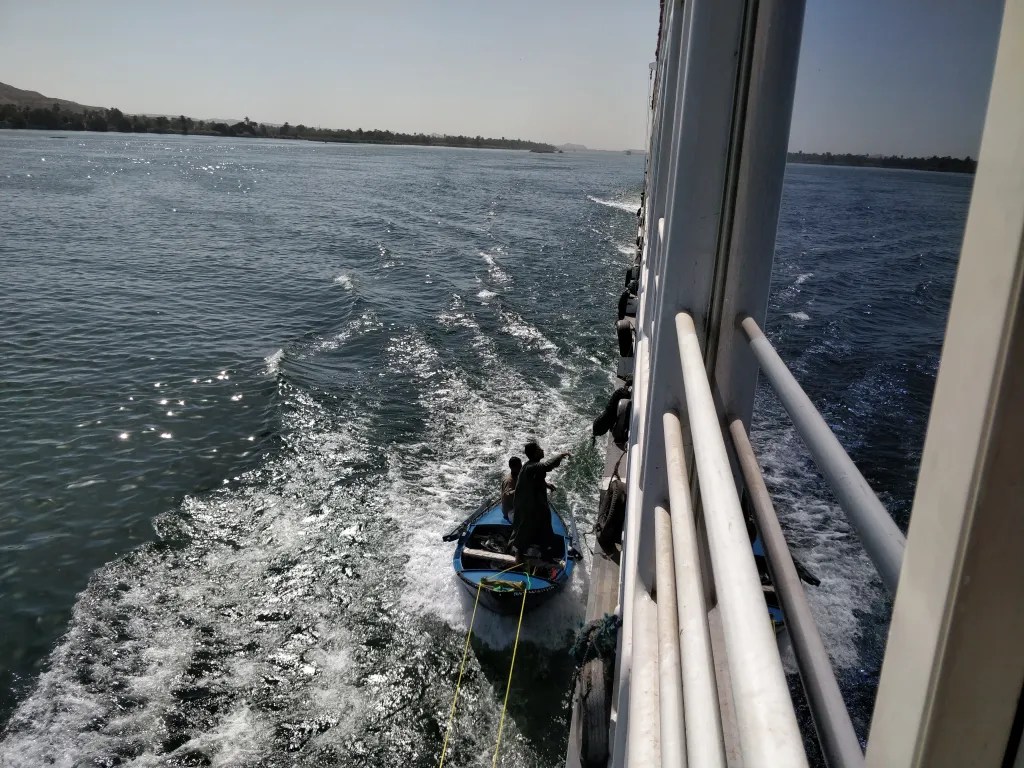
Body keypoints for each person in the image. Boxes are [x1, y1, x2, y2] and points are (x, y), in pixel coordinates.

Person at [511, 441, 570, 556]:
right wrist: (561, 455)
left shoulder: (528, 467)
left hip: (526, 505)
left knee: (529, 529)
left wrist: (546, 485)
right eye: (539, 449)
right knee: (539, 526)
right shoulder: (533, 466)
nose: (542, 450)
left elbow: (535, 480)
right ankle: (544, 553)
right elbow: (546, 466)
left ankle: (530, 550)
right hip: (528, 507)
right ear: (534, 454)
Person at [500, 456, 522, 521]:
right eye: (518, 466)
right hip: (510, 510)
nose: (521, 467)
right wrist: (521, 489)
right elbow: (508, 493)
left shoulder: (517, 476)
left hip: (516, 506)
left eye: (520, 465)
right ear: (512, 467)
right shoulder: (508, 480)